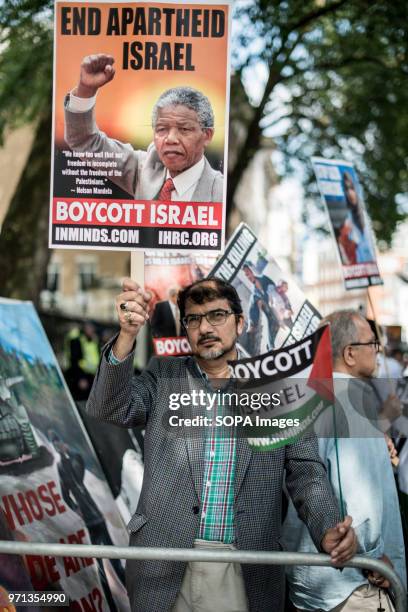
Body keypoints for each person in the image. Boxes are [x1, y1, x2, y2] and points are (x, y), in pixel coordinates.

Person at [86, 277, 357, 612]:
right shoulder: (163, 375)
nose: (205, 327)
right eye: (194, 319)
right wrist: (127, 335)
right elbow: (107, 407)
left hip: (245, 566)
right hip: (164, 563)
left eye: (217, 315)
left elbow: (306, 472)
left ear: (240, 322)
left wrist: (327, 525)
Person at [283, 309, 406, 612]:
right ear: (350, 353)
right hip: (354, 585)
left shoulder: (308, 397)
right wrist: (375, 557)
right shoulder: (351, 401)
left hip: (311, 580)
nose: (377, 351)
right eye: (371, 343)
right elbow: (361, 498)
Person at [64, 54, 223, 202]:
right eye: (162, 129)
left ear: (207, 135)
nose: (171, 139)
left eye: (184, 129)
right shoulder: (144, 167)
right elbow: (85, 141)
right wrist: (85, 90)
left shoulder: (220, 191)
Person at [242, 262, 281, 350]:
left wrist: (271, 296)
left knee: (275, 324)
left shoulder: (264, 279)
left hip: (275, 305)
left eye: (248, 273)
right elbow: (253, 305)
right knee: (255, 298)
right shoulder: (254, 292)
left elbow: (272, 287)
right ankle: (252, 325)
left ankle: (270, 345)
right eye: (246, 275)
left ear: (253, 271)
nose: (248, 276)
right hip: (267, 307)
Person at [338, 171, 375, 264]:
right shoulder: (347, 222)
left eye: (351, 188)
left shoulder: (366, 219)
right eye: (346, 189)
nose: (349, 193)